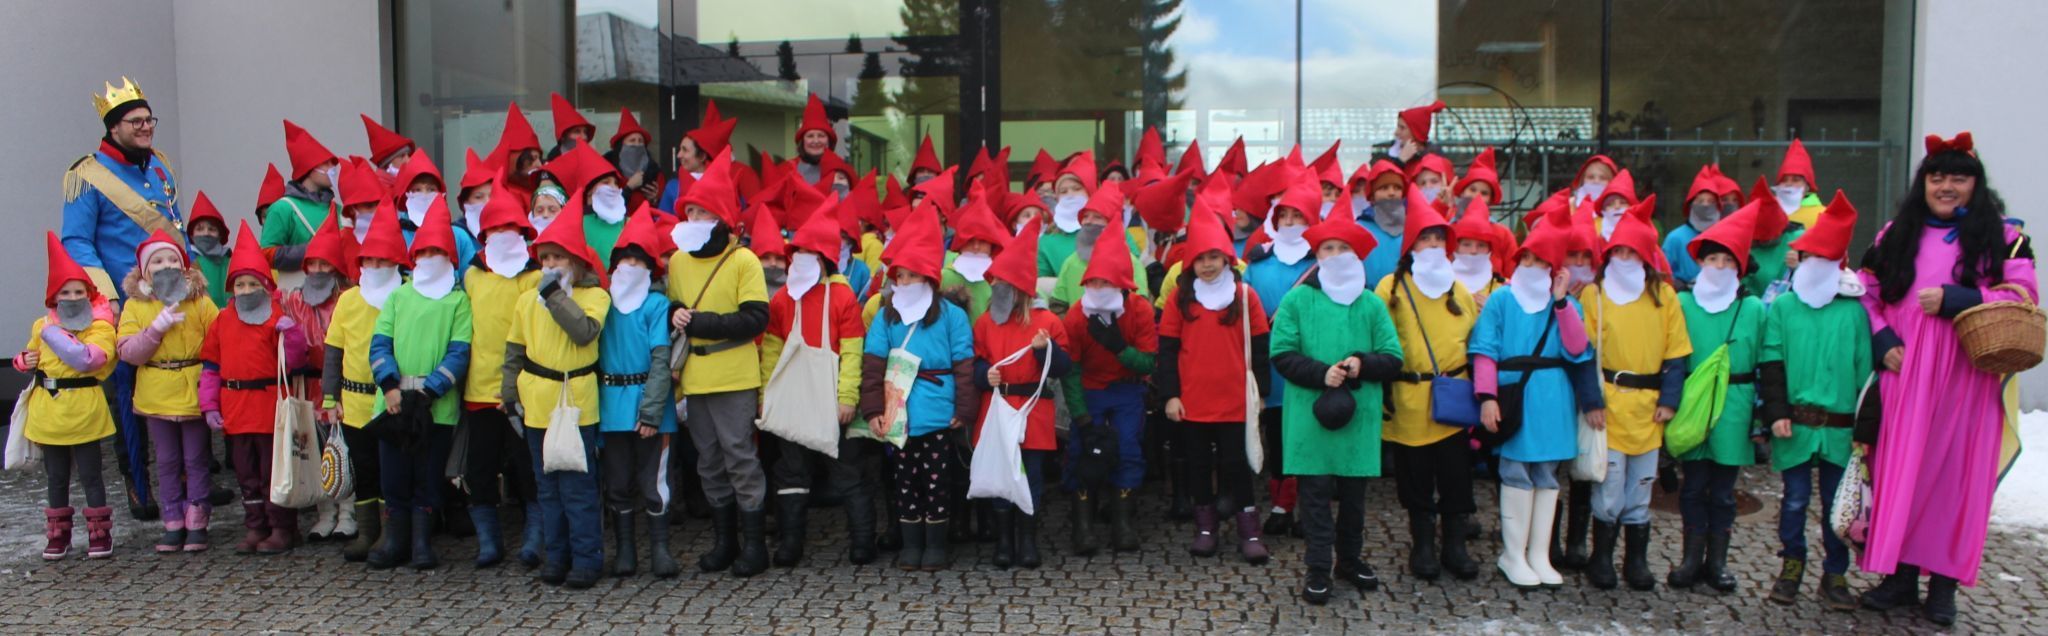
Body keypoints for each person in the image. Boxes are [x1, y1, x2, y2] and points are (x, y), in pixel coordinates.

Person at [1855, 133, 2036, 627]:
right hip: (1905, 369)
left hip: (1966, 377)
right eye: (1938, 176)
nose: (1947, 186)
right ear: (1924, 183)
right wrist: (1881, 338)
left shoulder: (2005, 237)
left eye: (1959, 177)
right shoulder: (1894, 233)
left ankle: (1943, 585)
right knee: (1901, 471)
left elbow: (2024, 297)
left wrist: (1962, 299)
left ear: (1976, 185)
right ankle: (1899, 577)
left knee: (1954, 479)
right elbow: (1866, 295)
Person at [64, 77, 183, 521]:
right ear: (113, 128)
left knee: (179, 383)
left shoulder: (160, 166)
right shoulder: (86, 175)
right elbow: (77, 242)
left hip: (170, 294)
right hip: (125, 300)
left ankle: (185, 479)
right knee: (127, 395)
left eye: (149, 119)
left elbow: (175, 225)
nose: (145, 127)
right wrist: (109, 299)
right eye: (135, 122)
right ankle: (138, 481)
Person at [1272, 212, 1404, 604]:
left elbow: (1393, 356)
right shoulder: (1297, 299)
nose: (1334, 255)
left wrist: (1363, 362)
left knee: (1353, 498)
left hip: (1358, 416)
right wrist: (1319, 374)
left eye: (1342, 248)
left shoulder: (1371, 303)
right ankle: (1317, 567)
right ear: (1318, 254)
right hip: (1309, 412)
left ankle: (1348, 559)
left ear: (1356, 254)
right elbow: (1281, 353)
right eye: (1327, 248)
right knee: (1313, 497)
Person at [1471, 204, 1597, 589]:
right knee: (1514, 471)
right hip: (1515, 394)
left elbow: (1578, 348)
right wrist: (1487, 397)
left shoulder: (1567, 306)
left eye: (1540, 260)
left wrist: (1560, 302)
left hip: (1553, 397)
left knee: (1547, 475)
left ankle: (1539, 553)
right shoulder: (1500, 300)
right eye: (1526, 257)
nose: (1530, 264)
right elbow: (1484, 349)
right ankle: (1513, 554)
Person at [664, 152, 773, 577]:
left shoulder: (743, 260)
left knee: (739, 457)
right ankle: (724, 541)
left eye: (701, 210)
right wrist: (675, 311)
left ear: (720, 216)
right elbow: (675, 302)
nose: (692, 216)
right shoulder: (676, 260)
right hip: (695, 375)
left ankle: (754, 546)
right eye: (689, 209)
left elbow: (755, 318)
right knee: (707, 461)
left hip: (733, 373)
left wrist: (700, 323)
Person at [1758, 193, 1868, 611]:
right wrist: (1777, 413)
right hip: (1796, 424)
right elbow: (1771, 361)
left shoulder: (1854, 313)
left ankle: (1835, 573)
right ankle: (1792, 566)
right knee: (1795, 500)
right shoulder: (1784, 308)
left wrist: (1865, 428)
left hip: (1841, 428)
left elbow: (1864, 374)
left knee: (1838, 506)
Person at [1578, 203, 1691, 592]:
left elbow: (1677, 354)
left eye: (1632, 253)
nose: (1625, 260)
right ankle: (1602, 556)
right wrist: (1592, 401)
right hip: (1609, 402)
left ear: (1646, 257)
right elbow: (1583, 353)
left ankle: (1636, 559)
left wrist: (1670, 400)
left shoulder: (1664, 297)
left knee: (1641, 484)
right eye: (1619, 252)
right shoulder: (1594, 295)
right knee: (1608, 486)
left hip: (1650, 405)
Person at [858, 203, 976, 572]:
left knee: (938, 481)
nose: (903, 282)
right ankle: (911, 544)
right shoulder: (885, 314)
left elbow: (964, 365)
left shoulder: (953, 317)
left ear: (928, 278)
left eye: (911, 276)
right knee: (905, 481)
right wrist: (874, 410)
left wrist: (964, 410)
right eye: (899, 276)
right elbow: (873, 364)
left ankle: (936, 544)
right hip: (899, 415)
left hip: (939, 413)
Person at [502, 198, 611, 589]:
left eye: (558, 258)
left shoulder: (594, 296)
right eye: (544, 258)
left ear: (577, 262)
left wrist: (553, 296)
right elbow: (514, 351)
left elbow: (582, 332)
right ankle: (557, 555)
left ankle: (587, 559)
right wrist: (508, 397)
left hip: (576, 402)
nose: (549, 266)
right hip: (537, 403)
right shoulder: (526, 300)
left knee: (578, 489)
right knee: (547, 488)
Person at [760, 201, 874, 567]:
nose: (802, 259)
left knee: (846, 470)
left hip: (830, 396)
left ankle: (862, 541)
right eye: (798, 253)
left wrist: (847, 398)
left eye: (810, 253)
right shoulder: (781, 299)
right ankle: (791, 543)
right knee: (791, 470)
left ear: (825, 258)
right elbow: (771, 353)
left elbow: (854, 352)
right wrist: (766, 396)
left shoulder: (842, 297)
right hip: (792, 395)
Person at [1373, 186, 1478, 581]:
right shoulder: (1391, 288)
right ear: (1411, 243)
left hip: (1452, 398)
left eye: (1438, 238)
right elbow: (1379, 338)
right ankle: (1422, 544)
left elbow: (1475, 340)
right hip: (1409, 399)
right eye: (1425, 237)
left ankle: (1455, 544)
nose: (1432, 244)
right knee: (1415, 476)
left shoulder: (1460, 290)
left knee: (1455, 475)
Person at [1157, 208, 1272, 564]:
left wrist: (1261, 394)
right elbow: (1168, 350)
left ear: (1226, 259)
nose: (1207, 265)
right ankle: (1205, 528)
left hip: (1234, 400)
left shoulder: (1245, 296)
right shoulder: (1180, 299)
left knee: (1237, 465)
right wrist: (1171, 395)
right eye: (1200, 259)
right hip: (1192, 401)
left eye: (1213, 257)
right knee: (1198, 465)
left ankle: (1249, 529)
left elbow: (1261, 346)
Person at [365, 201, 473, 571]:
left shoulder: (458, 302)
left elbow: (459, 352)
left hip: (435, 406)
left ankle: (422, 541)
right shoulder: (398, 296)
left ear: (449, 257)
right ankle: (395, 538)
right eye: (423, 251)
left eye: (437, 252)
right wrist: (390, 387)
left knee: (427, 475)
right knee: (394, 473)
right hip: (393, 403)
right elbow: (379, 344)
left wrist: (430, 393)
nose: (429, 257)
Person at [1669, 202, 1767, 592]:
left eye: (1728, 260)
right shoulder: (1683, 304)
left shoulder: (1755, 308)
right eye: (1713, 258)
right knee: (1693, 486)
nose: (1720, 267)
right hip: (1693, 401)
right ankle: (1690, 559)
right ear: (1700, 262)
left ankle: (1718, 562)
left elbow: (1765, 361)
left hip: (1735, 404)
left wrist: (1760, 421)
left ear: (1740, 266)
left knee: (1724, 491)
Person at [199, 223, 311, 555]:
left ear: (265, 285)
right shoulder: (222, 319)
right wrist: (210, 407)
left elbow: (295, 362)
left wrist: (290, 335)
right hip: (235, 407)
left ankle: (282, 527)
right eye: (240, 284)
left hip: (269, 408)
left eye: (252, 283)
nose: (246, 290)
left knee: (271, 471)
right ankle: (255, 525)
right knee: (246, 473)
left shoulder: (278, 316)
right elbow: (210, 367)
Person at [972, 216, 1072, 568]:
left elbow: (1062, 369)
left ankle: (1027, 540)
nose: (996, 285)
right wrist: (985, 375)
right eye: (994, 280)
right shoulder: (985, 322)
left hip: (1034, 409)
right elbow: (975, 362)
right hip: (997, 405)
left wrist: (1045, 350)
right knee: (1001, 475)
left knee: (1030, 475)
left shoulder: (1048, 322)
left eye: (1002, 280)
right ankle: (1004, 541)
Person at [1060, 208, 1159, 556]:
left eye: (1106, 282)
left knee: (1129, 449)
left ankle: (1123, 522)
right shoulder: (1076, 316)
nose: (1098, 288)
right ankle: (1083, 527)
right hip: (1088, 389)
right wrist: (1081, 416)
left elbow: (1148, 361)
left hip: (1127, 389)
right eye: (1093, 282)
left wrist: (1119, 347)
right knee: (1081, 452)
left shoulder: (1141, 311)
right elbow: (1069, 370)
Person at [114, 230, 219, 553]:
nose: (165, 265)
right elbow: (129, 351)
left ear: (184, 266)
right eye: (157, 261)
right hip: (156, 392)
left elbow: (217, 339)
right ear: (144, 271)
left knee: (196, 458)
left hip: (193, 388)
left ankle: (197, 519)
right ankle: (173, 520)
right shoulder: (135, 306)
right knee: (168, 460)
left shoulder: (199, 301)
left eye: (172, 259)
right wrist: (156, 329)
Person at [18, 233, 122, 559]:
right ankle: (58, 534)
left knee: (92, 475)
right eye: (66, 292)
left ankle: (99, 533)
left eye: (79, 292)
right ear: (54, 298)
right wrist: (25, 360)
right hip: (50, 412)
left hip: (85, 411)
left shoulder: (100, 327)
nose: (73, 297)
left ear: (90, 296)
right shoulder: (40, 326)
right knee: (57, 477)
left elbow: (93, 359)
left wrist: (54, 336)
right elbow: (30, 356)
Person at [459, 191, 543, 569]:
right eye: (495, 227)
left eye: (510, 226)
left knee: (527, 466)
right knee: (479, 467)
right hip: (479, 388)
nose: (503, 233)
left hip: (523, 388)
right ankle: (489, 541)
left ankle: (535, 536)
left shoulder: (535, 276)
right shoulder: (472, 275)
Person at [596, 211, 679, 578]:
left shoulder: (655, 305)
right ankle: (625, 550)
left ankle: (660, 549)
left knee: (654, 479)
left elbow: (662, 360)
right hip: (610, 403)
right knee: (617, 480)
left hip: (651, 403)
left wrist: (650, 412)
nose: (629, 267)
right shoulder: (602, 304)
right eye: (624, 261)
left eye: (638, 261)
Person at [323, 203, 407, 563]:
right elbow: (333, 350)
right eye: (368, 261)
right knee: (365, 468)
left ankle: (393, 532)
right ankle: (368, 530)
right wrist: (330, 398)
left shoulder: (406, 297)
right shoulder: (348, 300)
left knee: (392, 468)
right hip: (354, 400)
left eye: (381, 262)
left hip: (390, 399)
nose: (373, 268)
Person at [281, 214, 352, 543]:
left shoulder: (347, 300)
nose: (318, 271)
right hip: (307, 386)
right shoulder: (295, 300)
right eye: (313, 264)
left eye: (326, 265)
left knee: (343, 446)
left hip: (339, 385)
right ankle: (325, 512)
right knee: (315, 448)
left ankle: (349, 511)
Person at [260, 120, 341, 289]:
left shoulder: (338, 210)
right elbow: (266, 253)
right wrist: (314, 251)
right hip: (297, 296)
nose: (332, 168)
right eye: (325, 163)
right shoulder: (283, 208)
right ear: (309, 168)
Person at [1662, 165, 1729, 287]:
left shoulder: (1726, 237)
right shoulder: (1675, 238)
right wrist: (1677, 285)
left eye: (1711, 201)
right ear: (1691, 205)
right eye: (1700, 201)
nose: (1705, 205)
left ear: (1718, 206)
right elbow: (1663, 273)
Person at [543, 92, 596, 162]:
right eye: (577, 131)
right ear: (563, 136)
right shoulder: (550, 164)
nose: (584, 137)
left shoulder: (592, 160)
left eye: (585, 132)